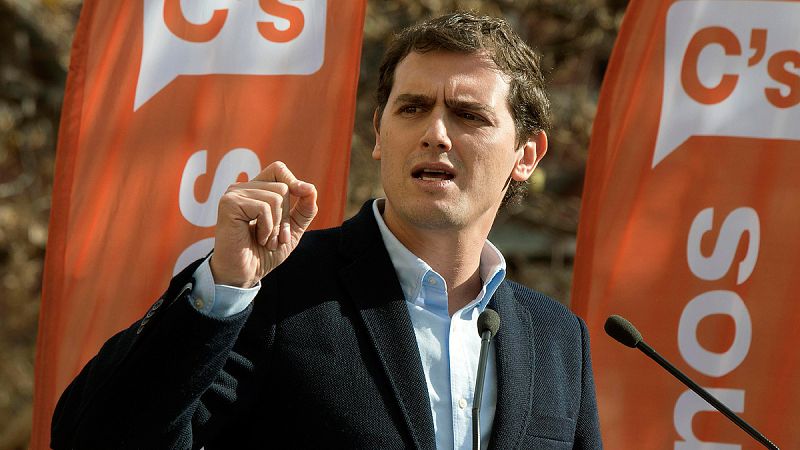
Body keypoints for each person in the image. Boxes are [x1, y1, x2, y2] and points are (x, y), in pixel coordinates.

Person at [51, 12, 602, 449]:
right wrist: (222, 290)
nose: (436, 132)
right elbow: (93, 438)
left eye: (468, 115)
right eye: (412, 108)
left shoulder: (558, 340)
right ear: (380, 137)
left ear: (526, 155)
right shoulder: (279, 291)